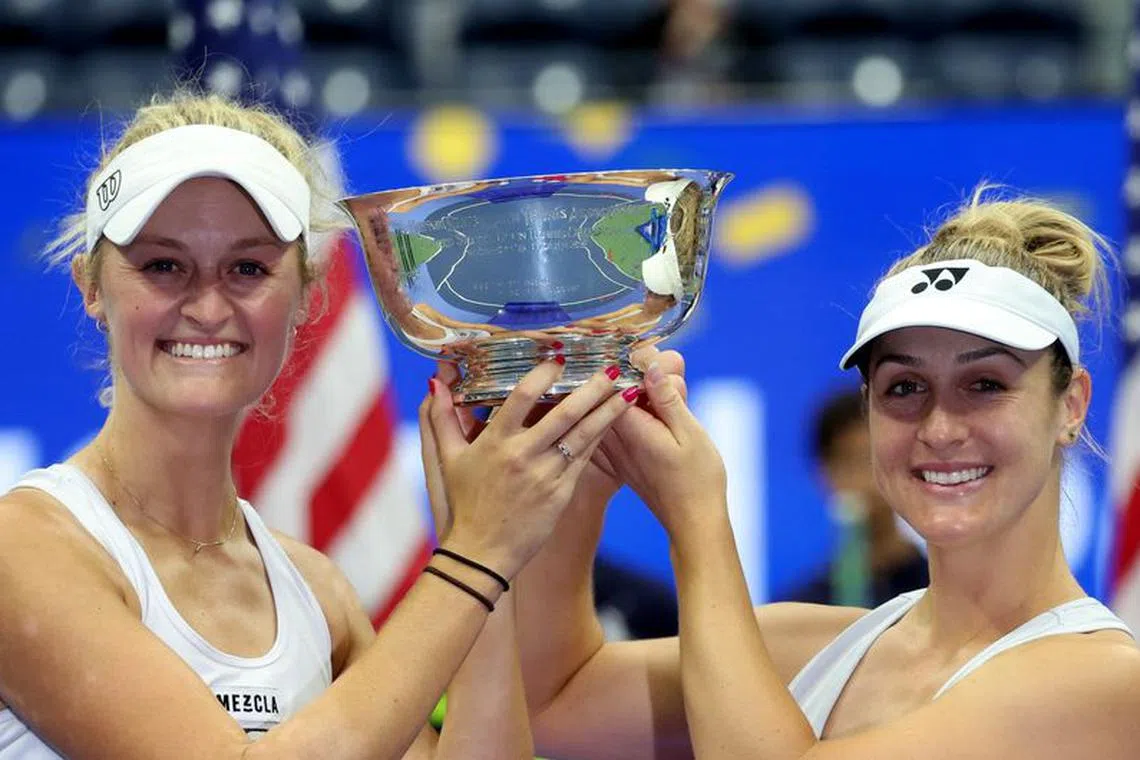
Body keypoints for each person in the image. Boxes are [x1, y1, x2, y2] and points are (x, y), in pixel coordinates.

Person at [0, 90, 639, 759]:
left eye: (248, 267)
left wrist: (484, 548)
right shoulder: (24, 548)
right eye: (164, 265)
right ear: (92, 287)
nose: (208, 305)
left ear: (307, 295)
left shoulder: (314, 590)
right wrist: (475, 554)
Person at [465, 187, 1140, 758]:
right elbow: (555, 696)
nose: (939, 428)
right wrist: (582, 458)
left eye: (986, 384)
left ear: (1071, 405)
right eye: (905, 388)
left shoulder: (1104, 682)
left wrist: (698, 519)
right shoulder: (822, 647)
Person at [784, 388, 928, 607]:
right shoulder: (803, 605)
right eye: (846, 463)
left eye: (869, 461)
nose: (861, 481)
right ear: (824, 472)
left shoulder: (938, 591)